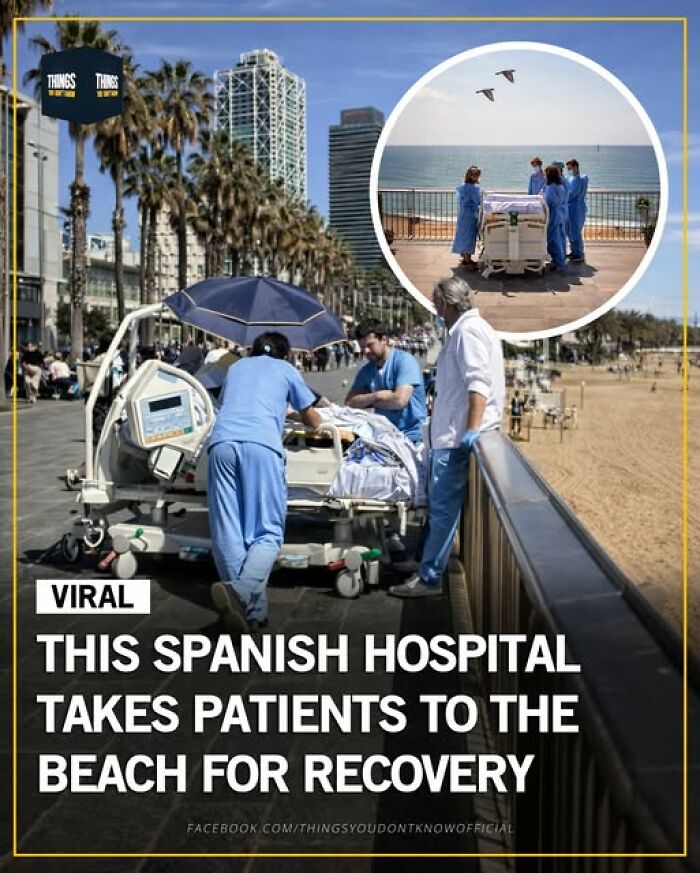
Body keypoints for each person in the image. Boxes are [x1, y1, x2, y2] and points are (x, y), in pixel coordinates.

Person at [388, 276, 505, 598]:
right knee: (440, 511)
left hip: (454, 439)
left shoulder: (468, 332)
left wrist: (472, 429)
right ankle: (427, 568)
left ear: (447, 303)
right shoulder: (465, 331)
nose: (434, 308)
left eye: (436, 302)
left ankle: (429, 578)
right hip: (448, 436)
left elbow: (478, 382)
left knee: (442, 512)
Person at [208, 332, 322, 635]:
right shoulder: (286, 370)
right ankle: (242, 593)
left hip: (221, 444)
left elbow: (232, 404)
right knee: (267, 533)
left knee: (229, 531)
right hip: (261, 447)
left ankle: (251, 613)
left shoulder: (236, 368)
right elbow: (314, 420)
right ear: (285, 354)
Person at [345, 319, 427, 444]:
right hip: (384, 436)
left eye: (370, 345)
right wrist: (377, 396)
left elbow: (400, 400)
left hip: (411, 437)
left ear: (384, 340)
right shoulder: (367, 370)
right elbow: (350, 402)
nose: (365, 351)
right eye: (363, 347)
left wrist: (369, 400)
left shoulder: (404, 362)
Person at [452, 165, 481, 269]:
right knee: (469, 237)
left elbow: (462, 201)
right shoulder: (474, 188)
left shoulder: (463, 186)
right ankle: (467, 260)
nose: (477, 177)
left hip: (463, 214)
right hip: (470, 215)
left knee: (463, 236)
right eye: (476, 175)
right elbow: (477, 201)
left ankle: (465, 257)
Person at [543, 165, 568, 271]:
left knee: (554, 240)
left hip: (553, 215)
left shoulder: (551, 188)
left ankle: (558, 263)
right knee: (560, 238)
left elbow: (548, 202)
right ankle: (559, 261)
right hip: (561, 215)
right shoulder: (560, 187)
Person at [566, 158, 588, 262]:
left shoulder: (580, 179)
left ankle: (579, 253)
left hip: (577, 208)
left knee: (576, 230)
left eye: (570, 168)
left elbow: (573, 193)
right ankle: (574, 251)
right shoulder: (571, 179)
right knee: (571, 230)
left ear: (575, 167)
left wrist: (563, 198)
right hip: (570, 208)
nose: (569, 170)